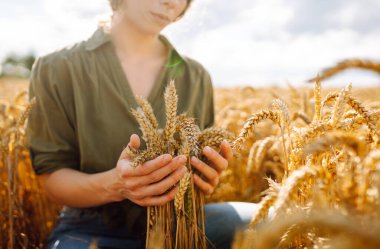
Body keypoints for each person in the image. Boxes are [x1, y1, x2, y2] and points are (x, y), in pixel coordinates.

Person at [27, 0, 257, 248]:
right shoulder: (56, 68)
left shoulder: (196, 75)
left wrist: (206, 178)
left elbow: (202, 162)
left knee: (283, 222)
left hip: (181, 224)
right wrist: (116, 185)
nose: (171, 2)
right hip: (91, 230)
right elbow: (52, 179)